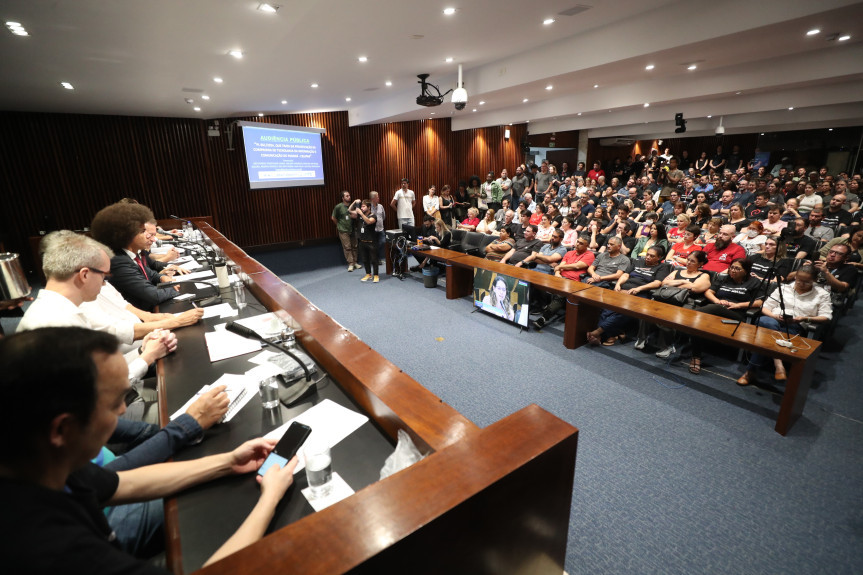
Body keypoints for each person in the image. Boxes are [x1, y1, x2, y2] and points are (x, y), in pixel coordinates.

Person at [0, 327, 299, 574]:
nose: (123, 409)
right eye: (116, 400)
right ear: (62, 430)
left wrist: (228, 462)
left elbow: (124, 483)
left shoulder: (43, 462)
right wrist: (270, 499)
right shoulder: (50, 548)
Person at [18, 231, 174, 424]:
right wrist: (147, 356)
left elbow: (98, 372)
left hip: (120, 401)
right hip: (103, 425)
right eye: (104, 275)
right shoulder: (54, 325)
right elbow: (100, 392)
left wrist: (143, 349)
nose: (105, 283)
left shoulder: (60, 309)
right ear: (84, 274)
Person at [736, 266, 832, 385]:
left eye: (806, 282)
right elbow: (765, 307)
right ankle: (778, 364)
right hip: (773, 319)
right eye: (798, 280)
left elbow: (826, 316)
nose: (801, 284)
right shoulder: (784, 288)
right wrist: (775, 316)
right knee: (766, 323)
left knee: (766, 335)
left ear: (814, 280)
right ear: (795, 277)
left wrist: (804, 318)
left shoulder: (822, 294)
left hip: (794, 327)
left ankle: (750, 372)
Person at [89, 203, 181, 311]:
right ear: (126, 234)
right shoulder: (117, 262)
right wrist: (176, 287)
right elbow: (154, 296)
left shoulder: (129, 254)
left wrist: (162, 277)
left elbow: (150, 274)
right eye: (143, 231)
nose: (151, 238)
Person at [688, 258, 763, 374]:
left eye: (737, 268)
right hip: (715, 310)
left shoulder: (754, 282)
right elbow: (709, 292)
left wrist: (738, 305)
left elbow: (759, 302)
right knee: (699, 321)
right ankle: (695, 357)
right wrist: (717, 301)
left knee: (700, 314)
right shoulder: (724, 278)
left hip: (737, 315)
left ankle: (689, 317)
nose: (733, 270)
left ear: (746, 271)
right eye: (731, 267)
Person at [585, 246, 671, 346]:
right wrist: (618, 284)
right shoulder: (637, 261)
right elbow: (626, 275)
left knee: (622, 311)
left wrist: (639, 289)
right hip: (623, 290)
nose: (648, 257)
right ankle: (612, 335)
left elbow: (657, 283)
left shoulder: (662, 267)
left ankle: (598, 333)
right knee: (607, 308)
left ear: (659, 258)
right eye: (647, 254)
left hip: (640, 294)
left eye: (652, 256)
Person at [649, 251, 711, 358]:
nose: (688, 263)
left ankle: (667, 346)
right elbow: (664, 283)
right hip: (668, 297)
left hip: (687, 301)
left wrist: (675, 283)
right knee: (647, 309)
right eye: (688, 259)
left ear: (700, 264)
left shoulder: (704, 275)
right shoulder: (677, 271)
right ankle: (642, 338)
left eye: (692, 261)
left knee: (668, 316)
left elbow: (696, 288)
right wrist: (684, 282)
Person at [532, 236, 596, 330]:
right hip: (560, 277)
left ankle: (543, 318)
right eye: (577, 241)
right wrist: (557, 273)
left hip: (573, 281)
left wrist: (560, 268)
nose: (577, 244)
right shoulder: (569, 252)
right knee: (536, 282)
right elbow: (560, 266)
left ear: (587, 246)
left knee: (560, 295)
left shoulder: (589, 255)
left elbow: (577, 266)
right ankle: (541, 305)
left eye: (581, 243)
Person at [351, 200, 380, 283]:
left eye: (363, 206)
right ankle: (368, 274)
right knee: (365, 259)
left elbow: (368, 221)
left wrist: (361, 213)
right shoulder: (360, 216)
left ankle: (376, 275)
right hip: (362, 241)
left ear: (369, 207)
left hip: (371, 242)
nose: (362, 208)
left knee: (374, 260)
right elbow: (349, 211)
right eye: (361, 206)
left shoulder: (373, 216)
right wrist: (354, 203)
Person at [369, 191, 387, 263]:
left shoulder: (381, 206)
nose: (379, 198)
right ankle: (376, 259)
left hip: (381, 228)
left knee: (383, 242)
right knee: (373, 245)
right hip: (372, 230)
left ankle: (376, 257)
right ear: (373, 199)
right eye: (377, 197)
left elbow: (383, 216)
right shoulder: (369, 207)